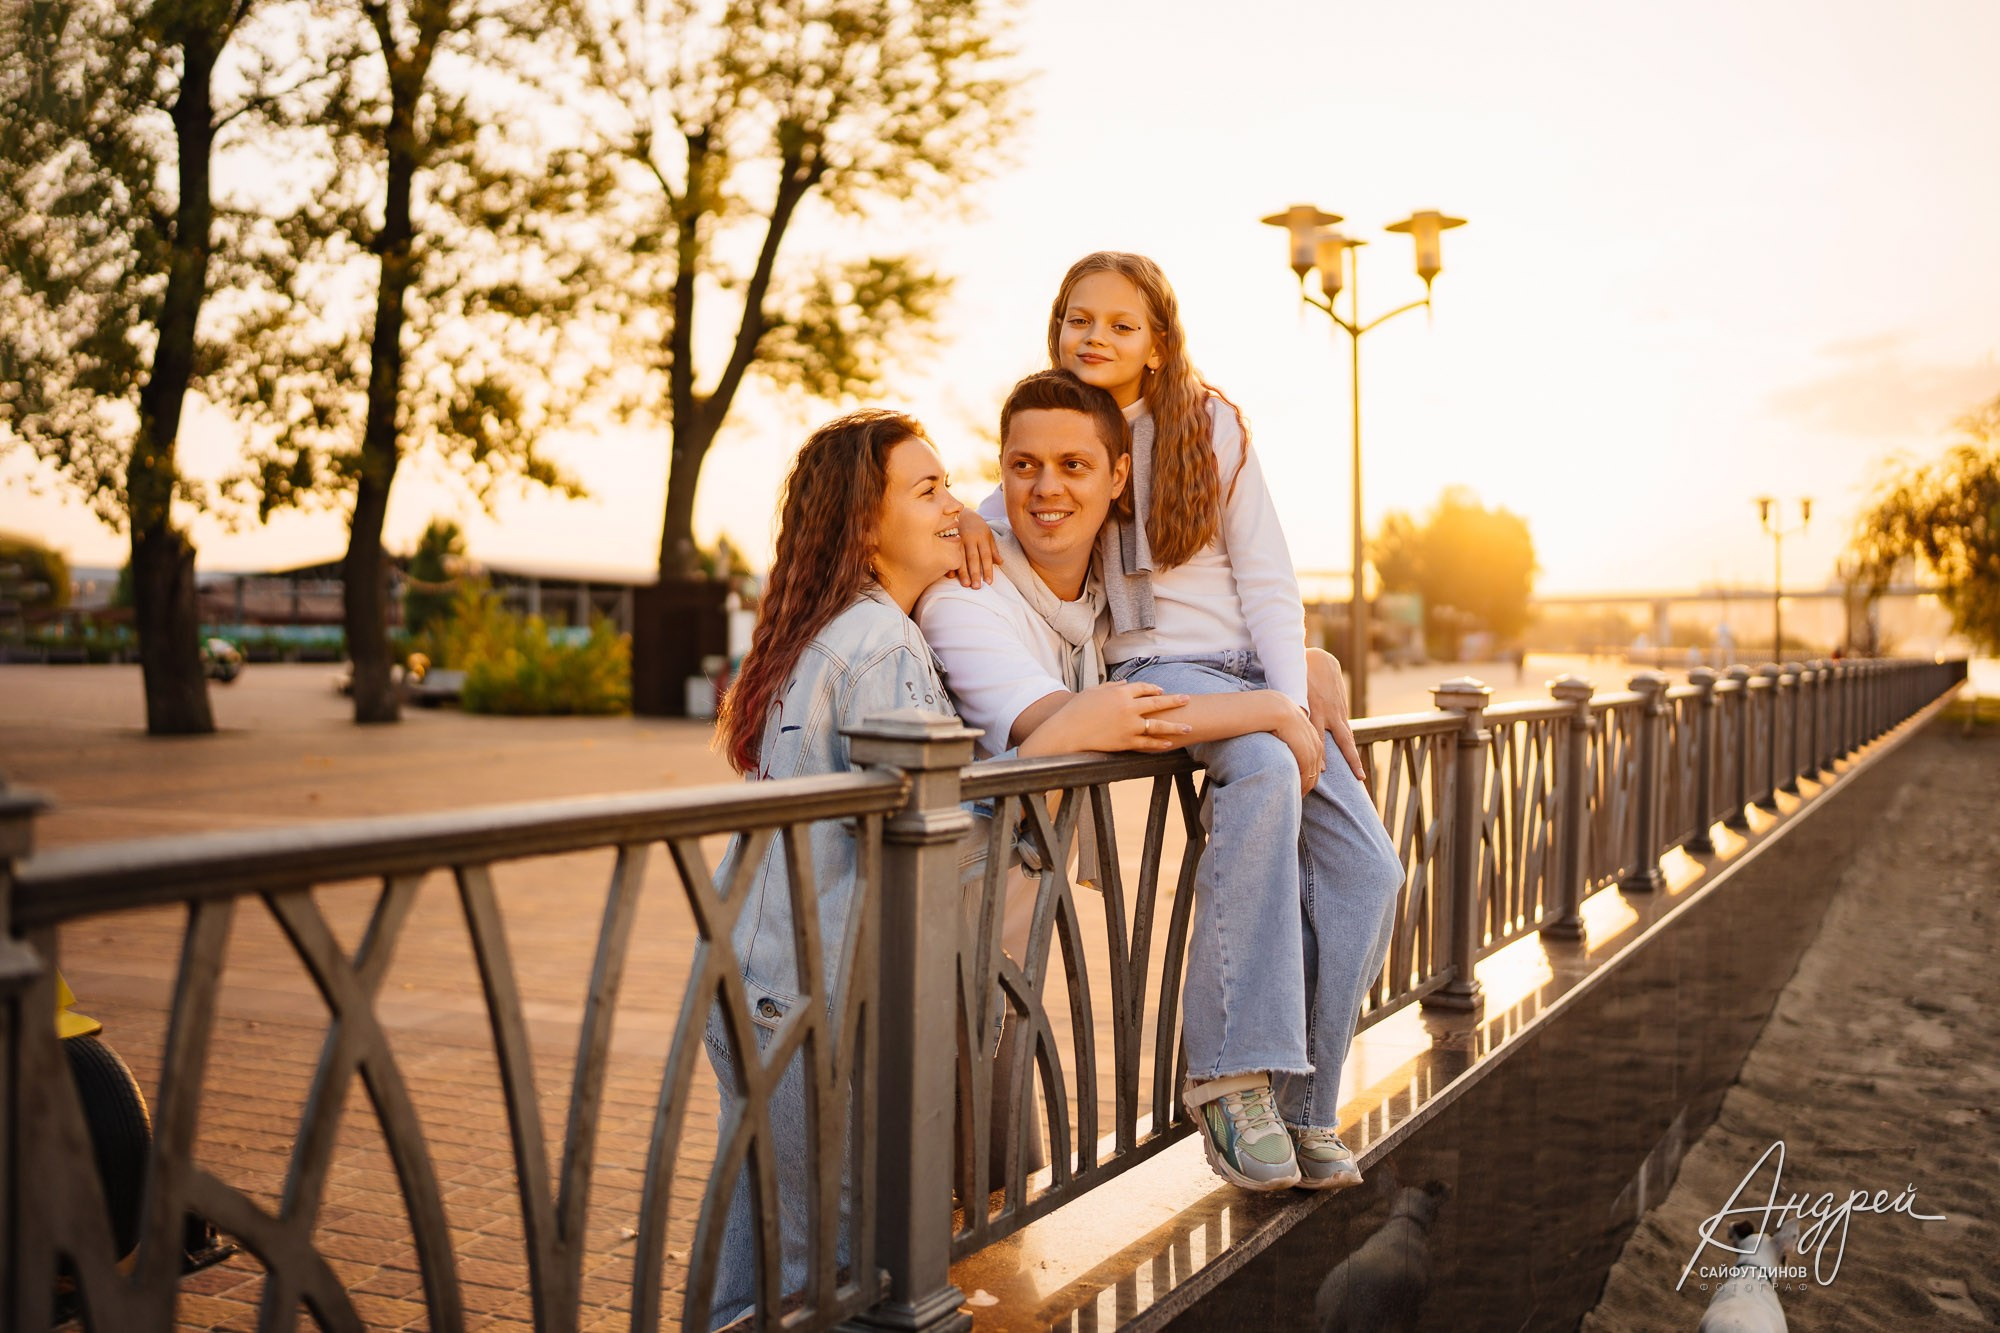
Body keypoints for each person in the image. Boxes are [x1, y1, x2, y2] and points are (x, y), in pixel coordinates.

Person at [702, 407, 1187, 1325]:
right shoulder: (879, 642)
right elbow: (935, 830)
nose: (958, 507)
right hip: (809, 1001)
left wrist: (970, 529)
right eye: (927, 490)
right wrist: (1062, 741)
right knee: (825, 1274)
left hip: (764, 981)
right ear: (862, 523)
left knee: (761, 1253)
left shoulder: (853, 624)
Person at [955, 253, 1406, 1194]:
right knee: (1264, 776)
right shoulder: (1069, 427)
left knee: (1370, 866)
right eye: (1080, 319)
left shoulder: (1211, 424)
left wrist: (1295, 695)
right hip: (1162, 668)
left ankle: (1304, 1105)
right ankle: (1228, 1079)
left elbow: (1269, 578)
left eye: (1122, 324)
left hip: (1252, 667)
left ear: (1158, 340)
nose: (1097, 337)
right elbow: (1022, 500)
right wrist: (958, 515)